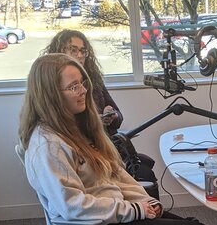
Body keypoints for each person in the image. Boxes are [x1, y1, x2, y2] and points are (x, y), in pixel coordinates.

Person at [18, 53, 217, 225]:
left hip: (113, 215)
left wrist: (144, 201)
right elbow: (73, 206)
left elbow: (115, 176)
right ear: (50, 96)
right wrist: (134, 210)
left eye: (82, 83)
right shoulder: (48, 145)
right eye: (73, 86)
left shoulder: (77, 128)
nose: (82, 91)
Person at [45, 29, 158, 195]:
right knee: (143, 175)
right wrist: (93, 121)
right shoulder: (53, 88)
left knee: (145, 172)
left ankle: (151, 213)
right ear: (59, 51)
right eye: (73, 49)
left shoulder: (93, 80)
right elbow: (63, 128)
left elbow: (119, 117)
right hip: (88, 155)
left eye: (83, 50)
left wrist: (110, 114)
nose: (80, 55)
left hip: (107, 147)